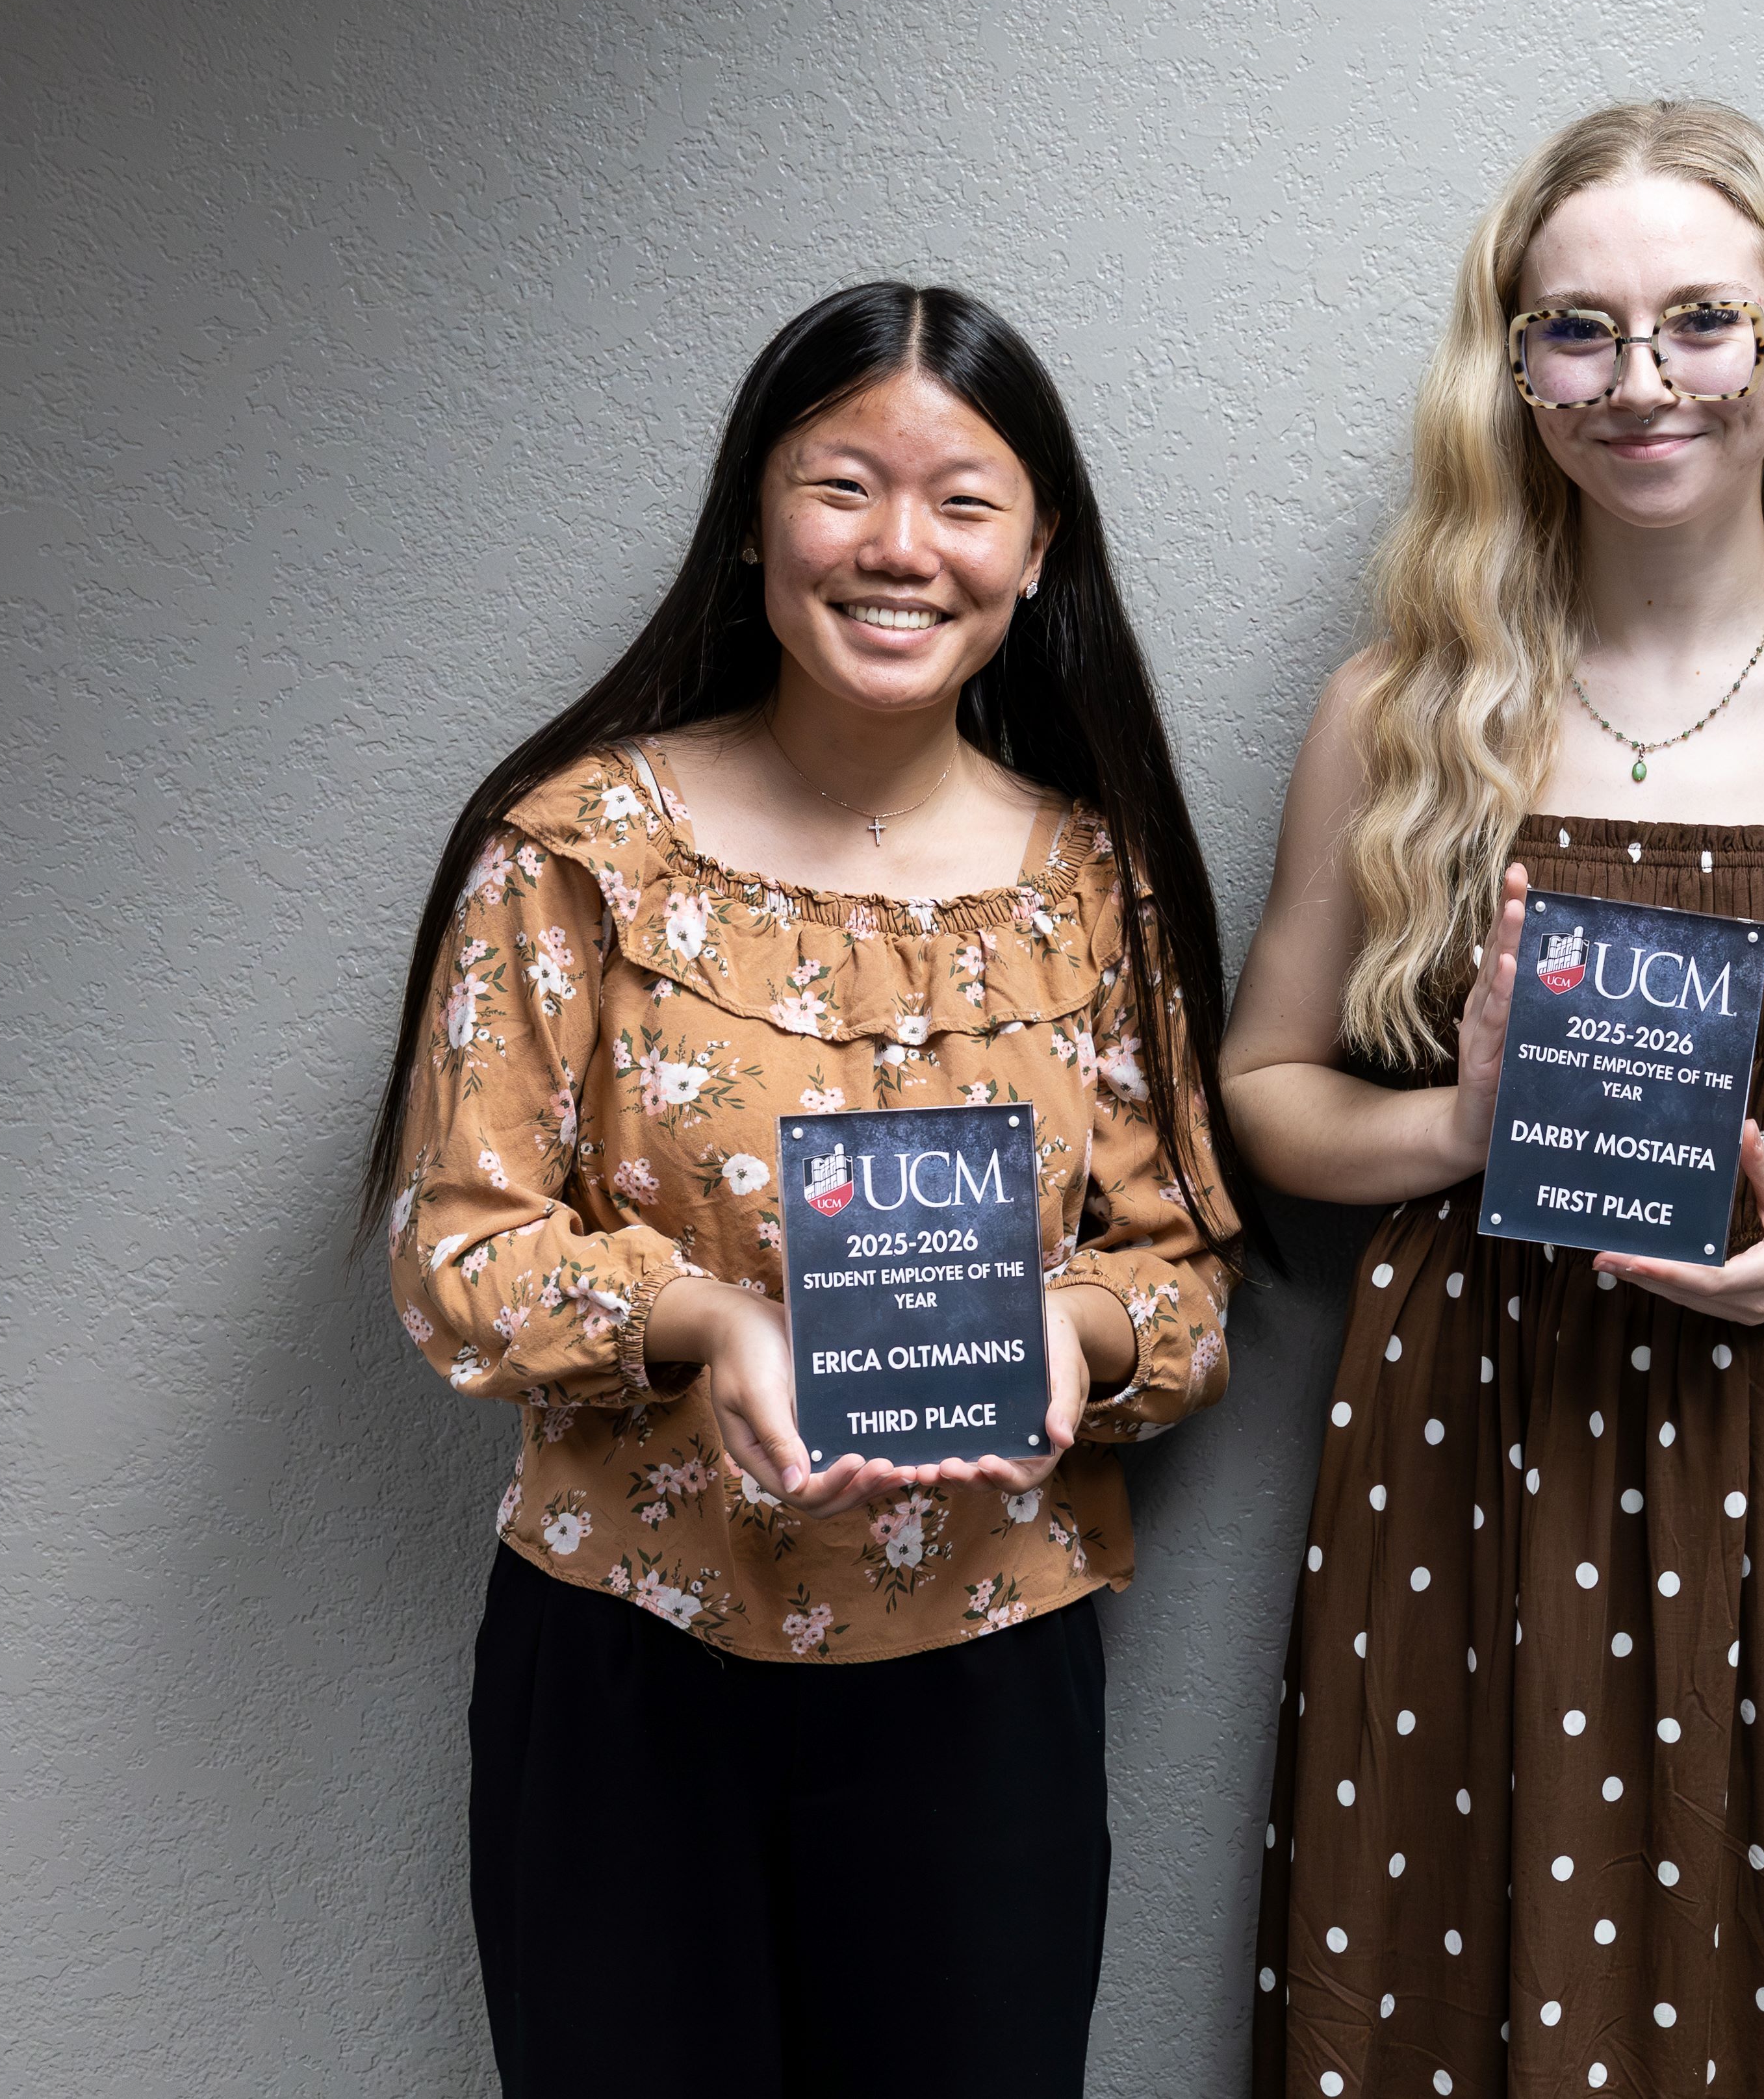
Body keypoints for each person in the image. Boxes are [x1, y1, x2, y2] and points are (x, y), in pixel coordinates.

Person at [1227, 99, 1764, 2098]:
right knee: (1432, 1981)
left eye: (1701, 322)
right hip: (1457, 1434)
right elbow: (1261, 1089)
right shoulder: (1395, 709)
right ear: (1510, 373)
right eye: (1575, 332)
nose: (1640, 382)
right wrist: (1454, 1128)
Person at [368, 281, 1242, 2096]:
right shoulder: (578, 847)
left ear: (1036, 548)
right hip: (630, 1657)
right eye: (842, 486)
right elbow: (458, 1251)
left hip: (988, 1670)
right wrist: (704, 1322)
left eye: (962, 500)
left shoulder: (1099, 878)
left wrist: (1074, 1337)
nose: (897, 548)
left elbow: (1180, 1281)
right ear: (755, 517)